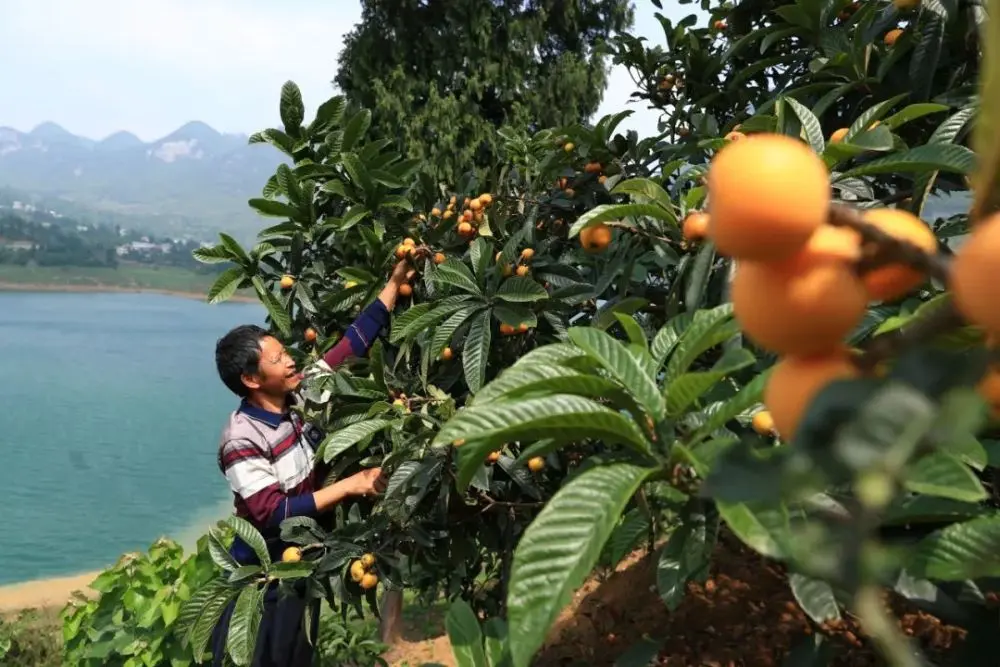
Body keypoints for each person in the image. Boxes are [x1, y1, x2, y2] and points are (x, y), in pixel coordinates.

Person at [208, 258, 416, 667]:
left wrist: (393, 286)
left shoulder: (300, 397)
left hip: (305, 557)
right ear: (251, 380)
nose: (290, 362)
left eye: (285, 352)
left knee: (298, 652)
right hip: (264, 571)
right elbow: (271, 513)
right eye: (277, 359)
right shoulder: (241, 437)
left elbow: (351, 345)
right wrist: (350, 485)